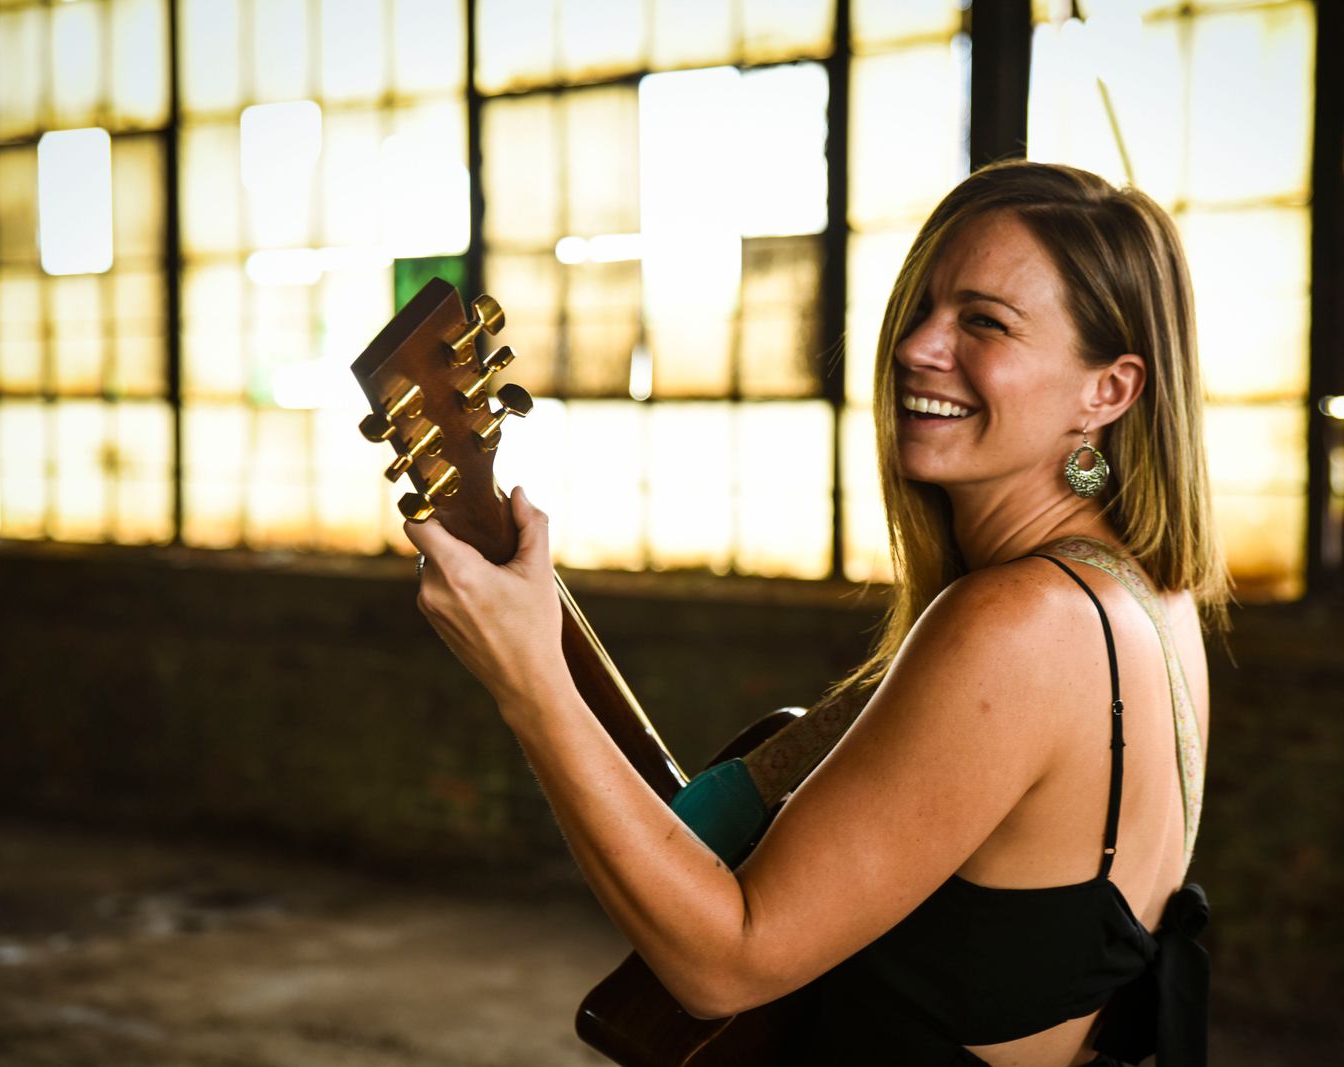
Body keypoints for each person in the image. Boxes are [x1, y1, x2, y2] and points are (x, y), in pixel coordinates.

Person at [405, 159, 1227, 1066]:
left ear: (1108, 390)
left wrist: (529, 680)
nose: (916, 346)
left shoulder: (1016, 623)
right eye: (923, 306)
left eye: (985, 321)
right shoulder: (1148, 593)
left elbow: (725, 962)